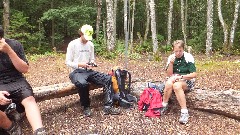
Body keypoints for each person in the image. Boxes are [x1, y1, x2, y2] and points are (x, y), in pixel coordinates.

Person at [65, 24, 120, 117]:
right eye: (85, 37)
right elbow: (67, 62)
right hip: (76, 72)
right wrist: (79, 64)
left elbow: (92, 59)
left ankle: (108, 107)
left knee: (108, 79)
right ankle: (86, 107)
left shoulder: (90, 45)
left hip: (88, 71)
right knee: (83, 84)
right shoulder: (73, 44)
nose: (86, 39)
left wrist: (92, 63)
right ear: (81, 33)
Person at [0, 26, 46, 134]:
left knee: (29, 99)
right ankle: (12, 127)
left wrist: (9, 51)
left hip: (17, 80)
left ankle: (40, 131)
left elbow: (24, 69)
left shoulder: (14, 45)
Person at [161, 40, 197, 124]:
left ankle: (184, 112)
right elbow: (169, 74)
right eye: (176, 51)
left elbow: (194, 74)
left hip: (187, 80)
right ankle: (164, 105)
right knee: (169, 83)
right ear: (173, 50)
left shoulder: (188, 57)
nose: (178, 53)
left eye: (180, 51)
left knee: (177, 86)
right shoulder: (171, 57)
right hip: (175, 78)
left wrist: (181, 77)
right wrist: (171, 63)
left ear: (183, 49)